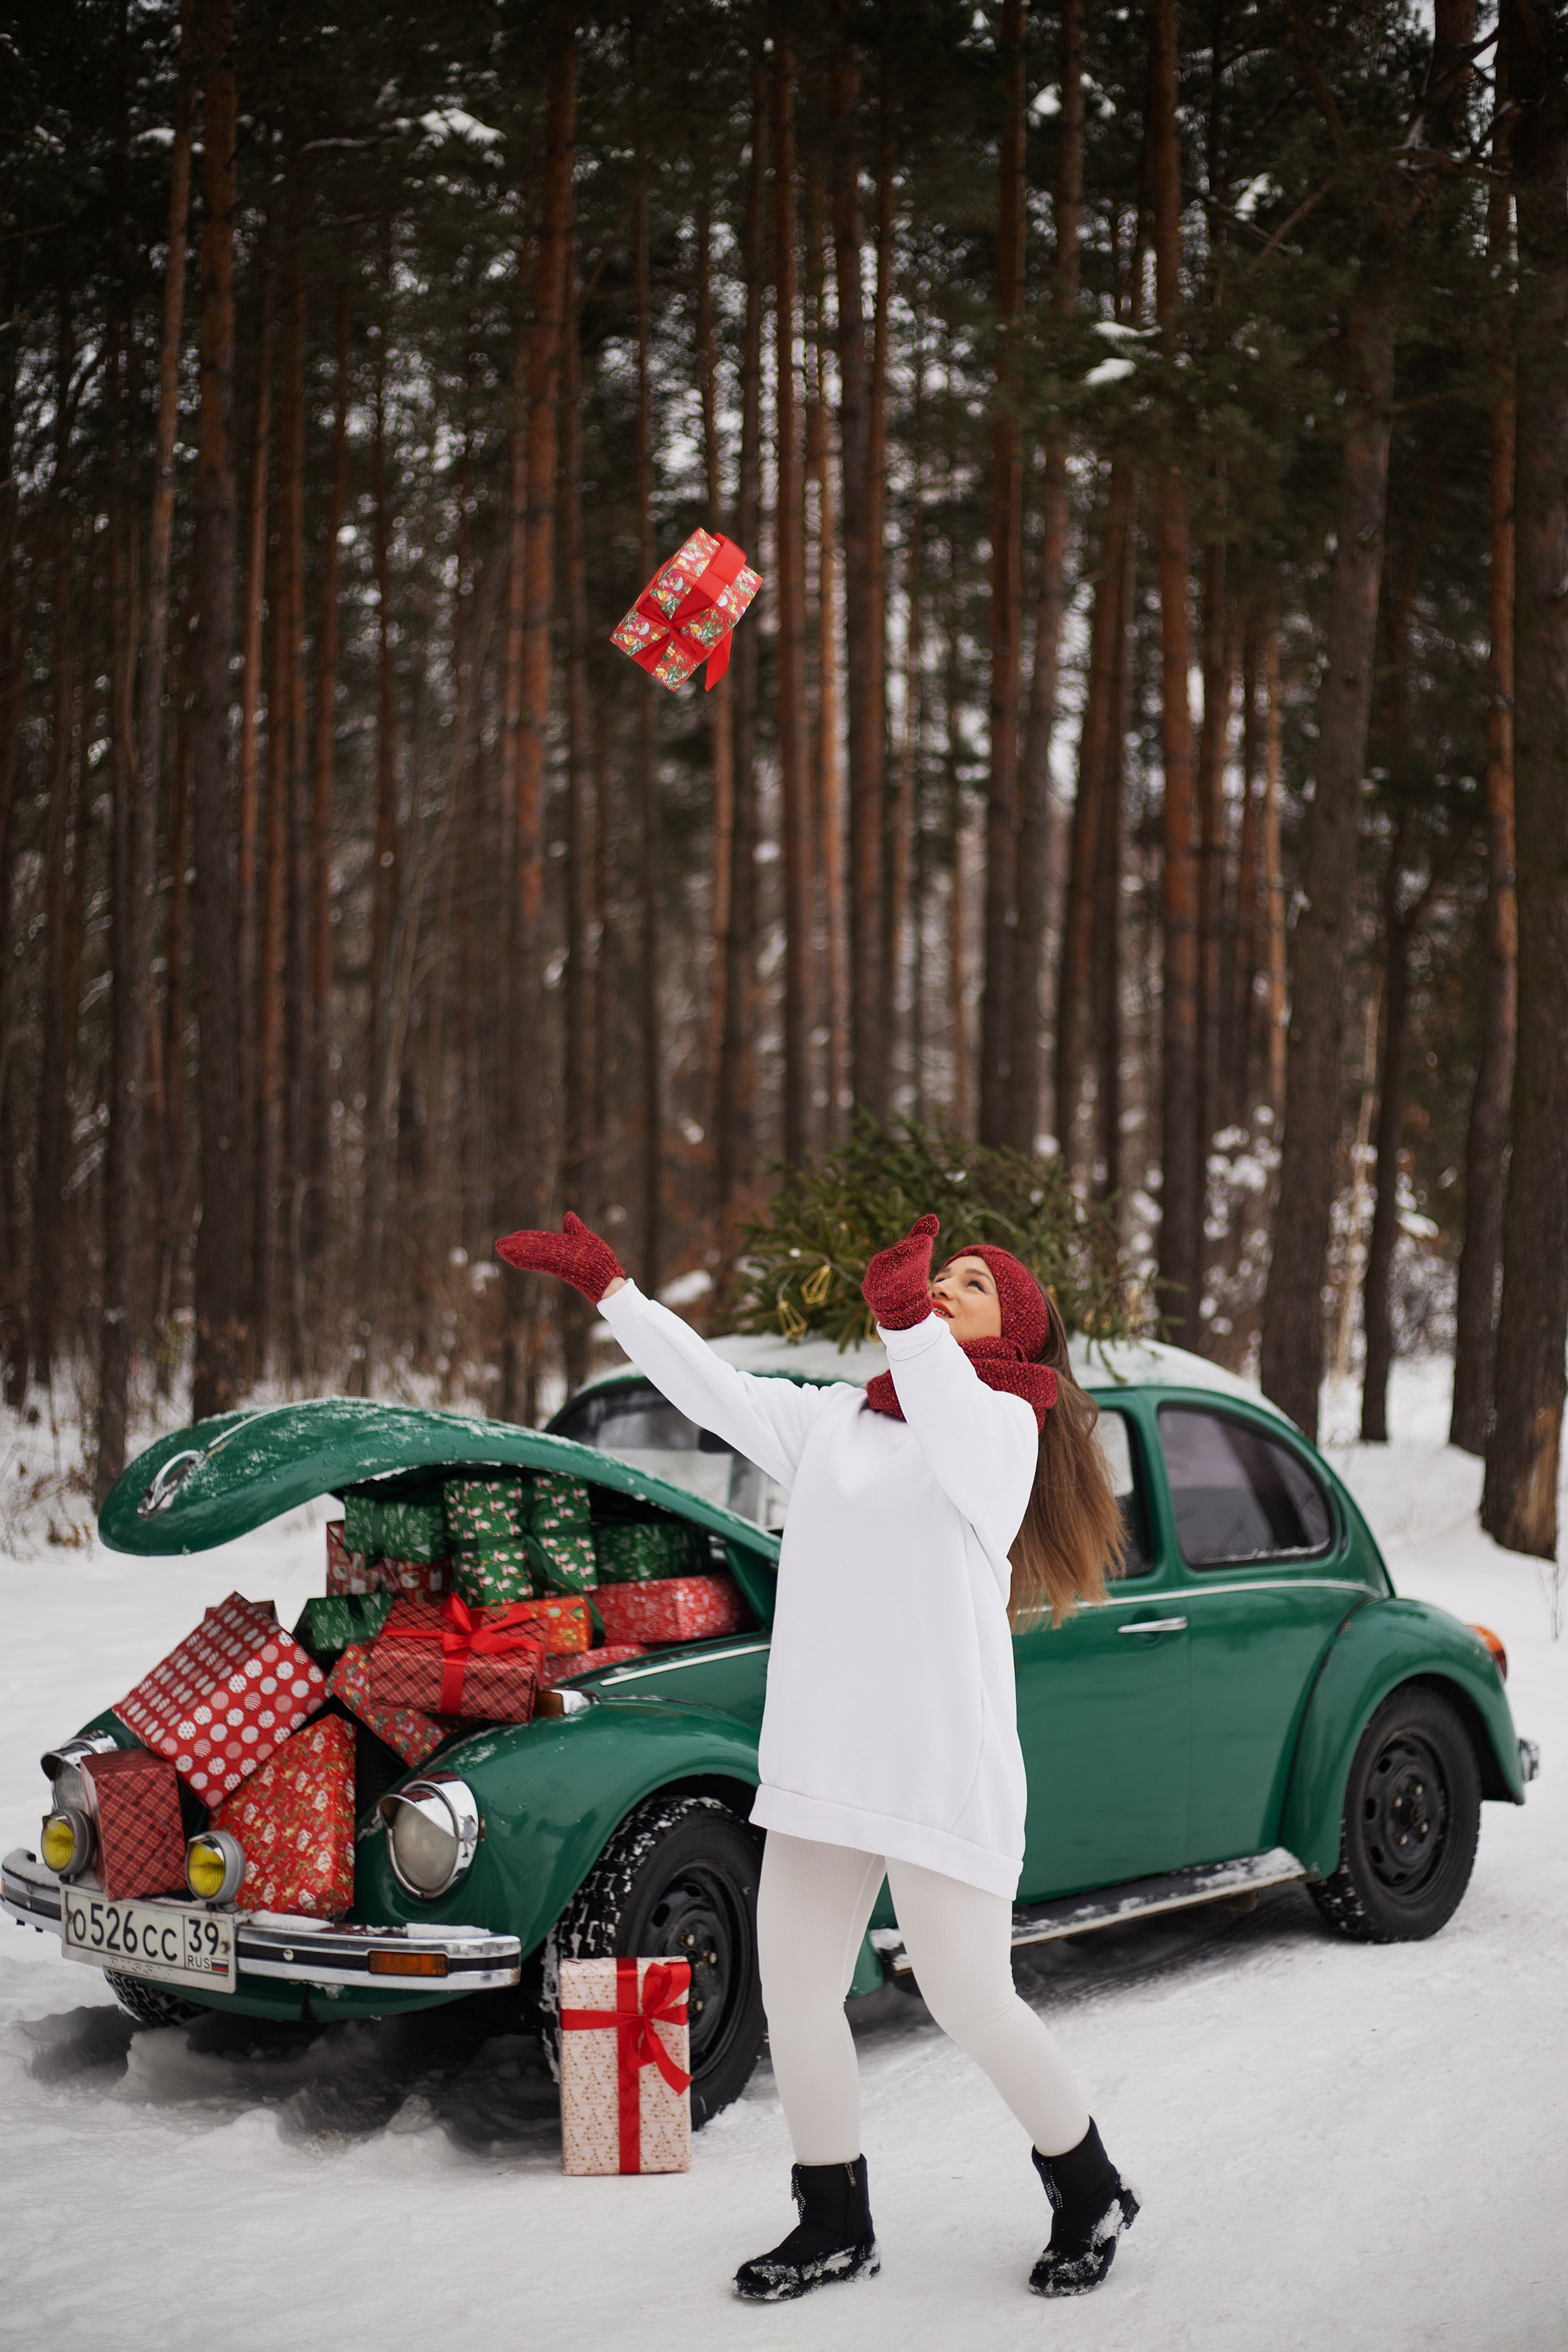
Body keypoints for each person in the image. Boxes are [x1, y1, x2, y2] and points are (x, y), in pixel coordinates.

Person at [496, 1210, 1139, 2303]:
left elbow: (947, 1404)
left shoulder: (1002, 1434)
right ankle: (833, 2217)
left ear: (1016, 1333)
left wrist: (903, 1321)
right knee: (794, 1993)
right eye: (945, 1278)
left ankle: (1091, 2189)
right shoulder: (840, 1423)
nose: (948, 1288)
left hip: (940, 1771)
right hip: (826, 1767)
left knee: (971, 1999)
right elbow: (711, 1387)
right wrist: (615, 1290)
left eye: (973, 1285)